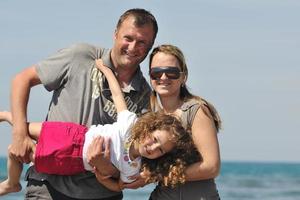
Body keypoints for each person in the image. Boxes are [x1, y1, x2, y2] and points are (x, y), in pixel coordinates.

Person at [9, 8, 158, 200]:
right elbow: (21, 80)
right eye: (127, 38)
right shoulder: (80, 56)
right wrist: (20, 134)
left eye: (142, 42)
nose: (132, 46)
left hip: (102, 195)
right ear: (115, 34)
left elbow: (128, 169)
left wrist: (103, 165)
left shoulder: (146, 97)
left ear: (150, 46)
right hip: (48, 186)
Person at [0, 59, 192, 195]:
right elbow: (118, 96)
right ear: (151, 128)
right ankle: (7, 116)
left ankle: (12, 184)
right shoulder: (130, 124)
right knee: (24, 129)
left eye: (160, 150)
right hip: (76, 133)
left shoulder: (133, 167)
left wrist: (101, 175)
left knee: (18, 152)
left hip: (72, 159)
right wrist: (106, 70)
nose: (152, 147)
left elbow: (117, 186)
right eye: (155, 139)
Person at [147, 44, 222, 200]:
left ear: (183, 76)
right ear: (150, 77)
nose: (163, 77)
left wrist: (160, 175)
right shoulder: (153, 117)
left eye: (171, 72)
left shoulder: (197, 111)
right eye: (156, 73)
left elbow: (211, 167)